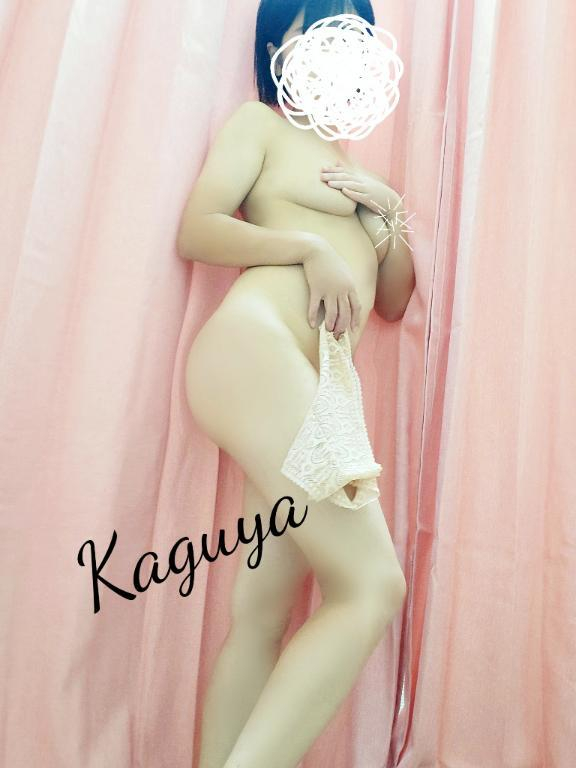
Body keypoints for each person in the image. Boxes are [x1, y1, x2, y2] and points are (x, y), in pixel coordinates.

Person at [176, 2, 415, 766]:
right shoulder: (262, 125)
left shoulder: (363, 174)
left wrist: (390, 215)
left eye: (350, 31)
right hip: (254, 349)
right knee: (371, 587)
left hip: (302, 387)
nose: (333, 46)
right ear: (277, 44)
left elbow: (392, 301)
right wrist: (307, 245)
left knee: (262, 612)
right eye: (317, 27)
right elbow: (197, 228)